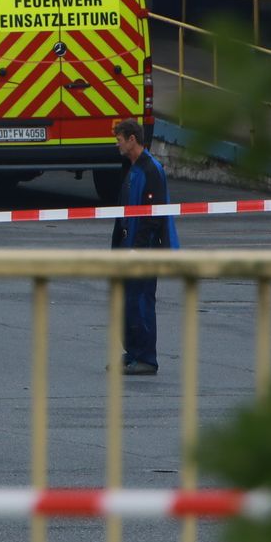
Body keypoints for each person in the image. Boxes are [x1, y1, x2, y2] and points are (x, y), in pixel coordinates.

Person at [112, 118, 178, 376]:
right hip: (129, 245)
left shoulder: (151, 170)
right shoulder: (132, 167)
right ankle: (133, 352)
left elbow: (152, 217)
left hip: (144, 249)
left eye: (119, 140)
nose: (116, 144)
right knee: (127, 301)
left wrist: (137, 250)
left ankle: (146, 358)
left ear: (132, 139)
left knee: (140, 301)